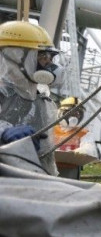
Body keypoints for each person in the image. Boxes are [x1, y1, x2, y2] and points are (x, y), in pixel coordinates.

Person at [0, 20, 62, 175]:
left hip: (32, 184)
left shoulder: (43, 101)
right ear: (15, 56)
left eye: (50, 57)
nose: (48, 64)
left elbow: (46, 157)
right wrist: (3, 133)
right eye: (42, 56)